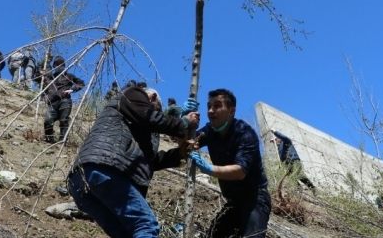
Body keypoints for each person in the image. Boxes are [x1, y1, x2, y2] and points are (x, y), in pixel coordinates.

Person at [68, 83, 199, 237]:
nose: (157, 113)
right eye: (157, 109)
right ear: (153, 97)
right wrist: (183, 123)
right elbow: (151, 118)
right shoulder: (133, 94)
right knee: (145, 225)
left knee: (127, 234)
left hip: (81, 180)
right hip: (106, 168)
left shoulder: (135, 125)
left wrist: (179, 154)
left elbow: (150, 161)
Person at [190, 88, 271, 238]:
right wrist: (184, 120)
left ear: (231, 110)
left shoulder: (245, 133)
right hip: (233, 202)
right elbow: (187, 142)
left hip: (255, 199)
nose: (210, 111)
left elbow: (240, 171)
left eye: (217, 106)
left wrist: (209, 168)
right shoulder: (209, 131)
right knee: (213, 235)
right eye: (209, 106)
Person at [37, 56, 84, 143]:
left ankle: (62, 141)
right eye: (57, 64)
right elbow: (37, 76)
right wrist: (41, 70)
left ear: (64, 66)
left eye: (61, 64)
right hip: (52, 103)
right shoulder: (49, 77)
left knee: (64, 120)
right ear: (54, 66)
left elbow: (81, 84)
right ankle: (49, 139)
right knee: (48, 120)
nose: (59, 66)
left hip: (65, 101)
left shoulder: (69, 76)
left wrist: (72, 89)